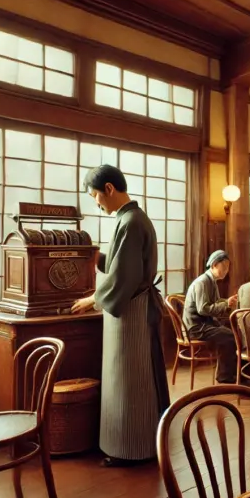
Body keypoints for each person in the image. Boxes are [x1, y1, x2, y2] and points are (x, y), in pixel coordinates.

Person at [71, 164, 168, 467]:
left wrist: (92, 299)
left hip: (131, 311)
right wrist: (92, 254)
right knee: (126, 378)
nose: (96, 202)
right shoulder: (130, 219)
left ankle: (133, 448)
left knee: (129, 380)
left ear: (109, 189)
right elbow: (120, 264)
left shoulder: (131, 221)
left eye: (95, 196)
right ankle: (130, 443)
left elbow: (125, 276)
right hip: (130, 308)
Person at [183, 250, 238, 384]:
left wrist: (227, 302)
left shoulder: (211, 280)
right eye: (224, 267)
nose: (226, 271)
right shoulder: (202, 282)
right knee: (230, 335)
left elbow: (215, 302)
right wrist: (225, 304)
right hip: (196, 326)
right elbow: (203, 309)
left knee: (234, 330)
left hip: (204, 323)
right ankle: (224, 376)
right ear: (214, 265)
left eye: (228, 268)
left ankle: (233, 371)